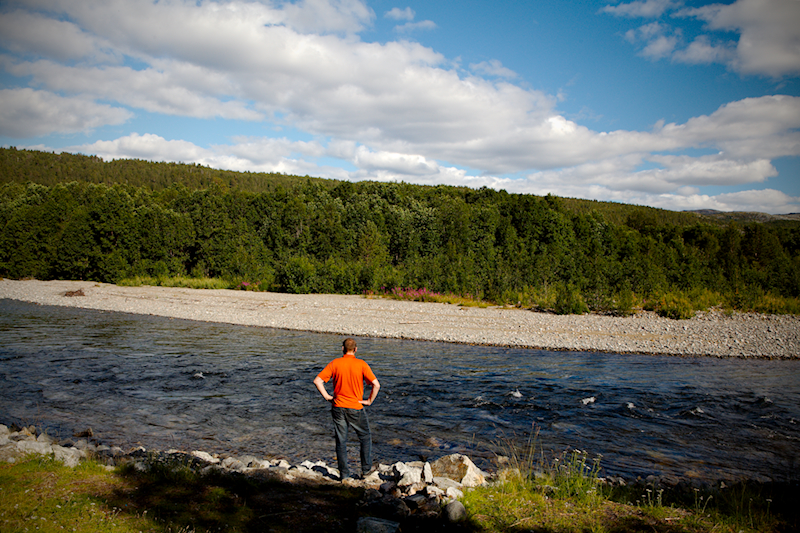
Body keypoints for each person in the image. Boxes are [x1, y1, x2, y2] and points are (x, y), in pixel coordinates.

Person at [313, 337, 380, 480]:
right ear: (356, 350)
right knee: (365, 437)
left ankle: (344, 475)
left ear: (342, 349)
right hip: (355, 407)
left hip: (338, 406)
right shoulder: (361, 364)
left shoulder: (335, 363)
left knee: (341, 441)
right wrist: (369, 401)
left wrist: (327, 397)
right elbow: (376, 385)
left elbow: (317, 381)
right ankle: (366, 470)